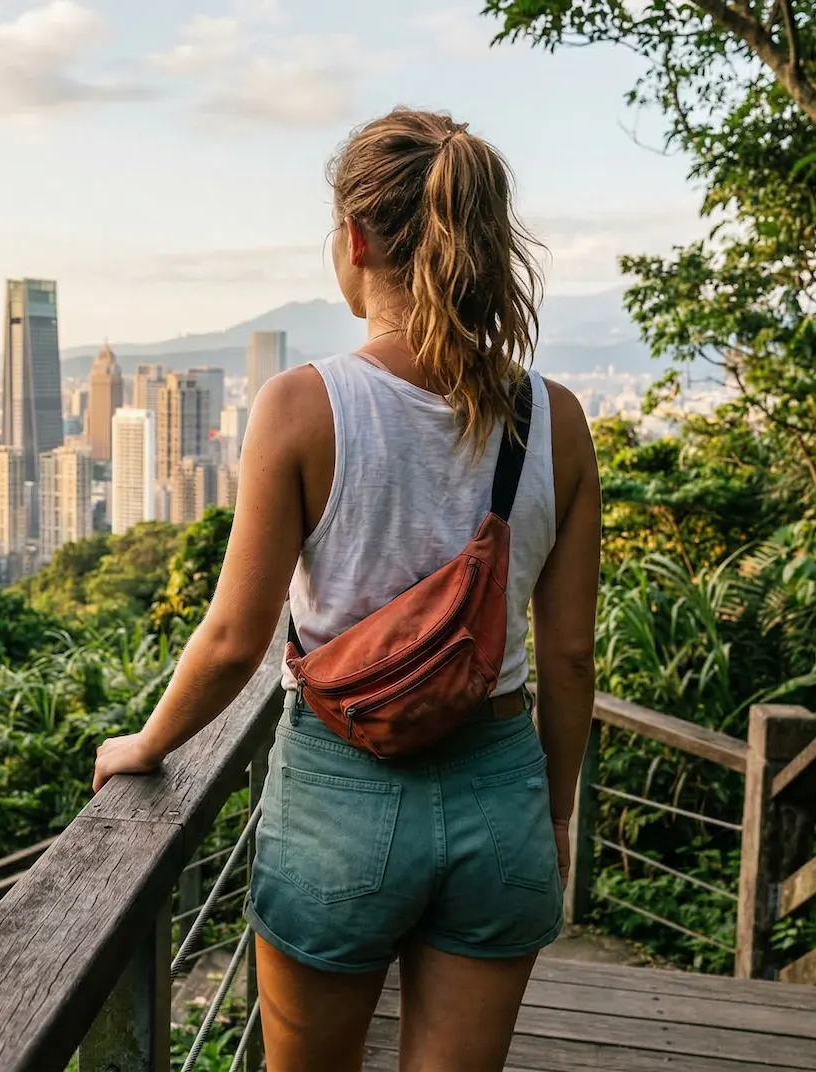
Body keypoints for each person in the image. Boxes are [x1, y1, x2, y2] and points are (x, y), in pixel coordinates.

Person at [91, 106, 602, 1071]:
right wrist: (555, 808)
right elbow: (570, 656)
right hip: (500, 790)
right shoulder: (558, 420)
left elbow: (236, 638)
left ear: (355, 242)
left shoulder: (303, 405)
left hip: (341, 795)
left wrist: (148, 743)